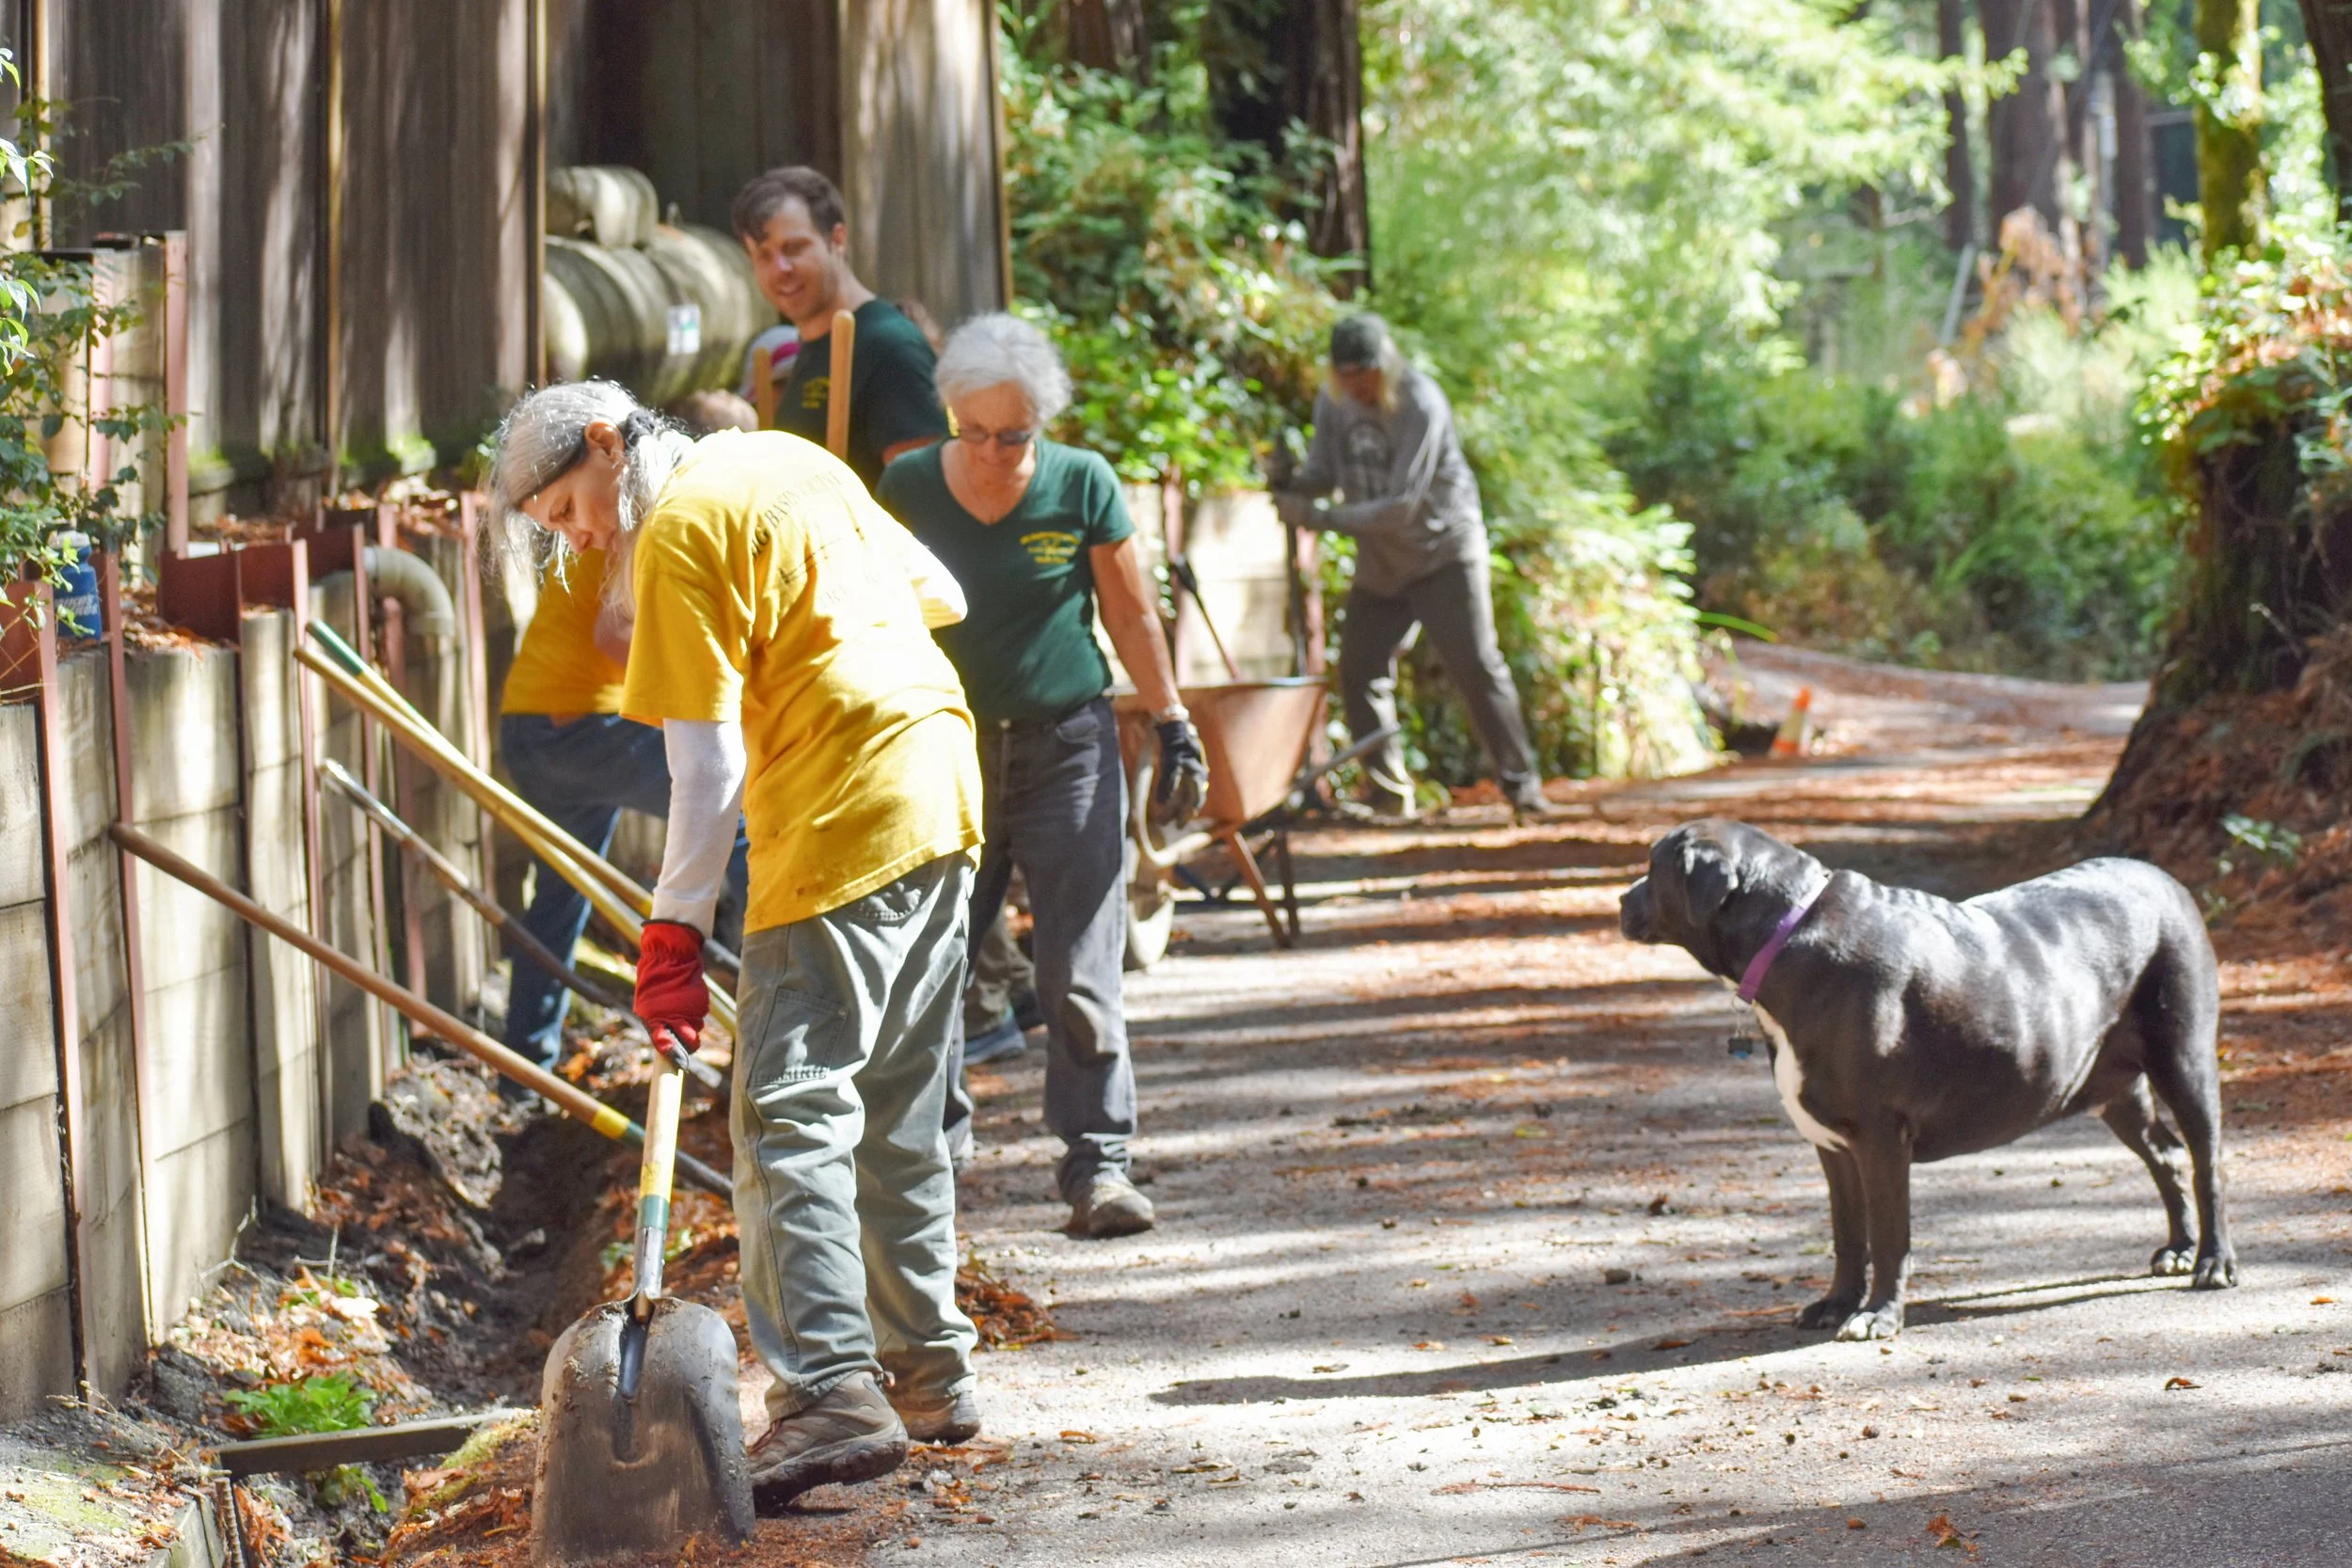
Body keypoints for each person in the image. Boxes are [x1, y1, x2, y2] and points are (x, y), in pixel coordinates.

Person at [488, 380, 981, 1510]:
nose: (582, 535)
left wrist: (672, 927)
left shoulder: (676, 533)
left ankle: (826, 1395)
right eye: (559, 529)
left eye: (571, 506)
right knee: (896, 1106)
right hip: (941, 781)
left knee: (786, 1108)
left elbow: (701, 771)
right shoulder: (790, 463)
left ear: (609, 443)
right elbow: (941, 591)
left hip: (840, 810)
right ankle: (927, 1371)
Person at [876, 313, 1207, 1239]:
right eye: (972, 431)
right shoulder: (906, 487)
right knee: (931, 963)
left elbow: (1132, 613)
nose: (991, 453)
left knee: (1078, 968)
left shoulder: (1080, 483)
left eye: (1012, 435)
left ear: (1042, 423)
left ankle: (1097, 1166)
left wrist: (1171, 717)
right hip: (944, 750)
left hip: (1069, 745)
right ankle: (930, 1165)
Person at [1273, 312, 1557, 821]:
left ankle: (1522, 786)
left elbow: (1401, 506)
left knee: (1475, 666)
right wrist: (1292, 484)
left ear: (1387, 366)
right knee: (1359, 670)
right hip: (1382, 565)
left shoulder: (1421, 402)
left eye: (1368, 376)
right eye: (1349, 378)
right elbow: (1322, 472)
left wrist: (1315, 517)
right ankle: (1387, 792)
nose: (1359, 388)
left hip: (1442, 550)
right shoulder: (1332, 403)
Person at [495, 548, 747, 1079]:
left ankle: (525, 1069)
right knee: (741, 815)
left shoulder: (624, 522)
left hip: (536, 725)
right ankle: (776, 1009)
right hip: (575, 726)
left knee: (562, 893)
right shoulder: (640, 527)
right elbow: (614, 638)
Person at [730, 166, 947, 487]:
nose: (781, 269)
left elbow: (924, 499)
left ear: (837, 239)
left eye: (794, 248)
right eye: (763, 256)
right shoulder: (814, 344)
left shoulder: (889, 347)